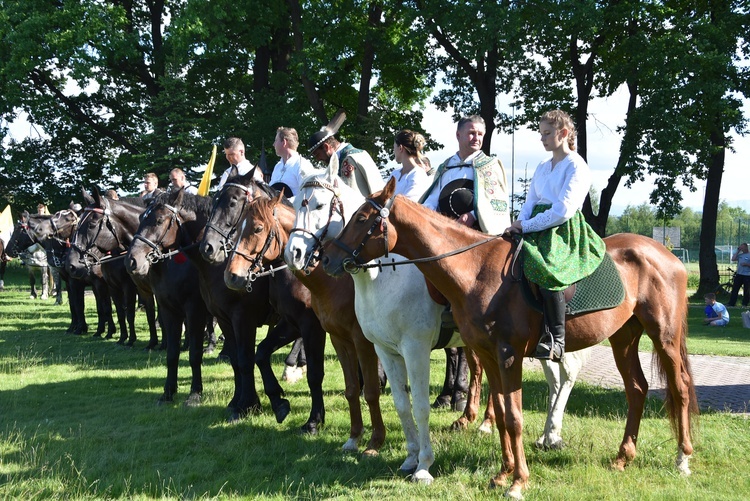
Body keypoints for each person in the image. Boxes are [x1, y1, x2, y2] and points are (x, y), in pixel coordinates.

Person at [505, 109, 607, 362]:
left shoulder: (576, 166)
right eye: (541, 134)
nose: (543, 139)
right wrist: (519, 222)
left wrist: (528, 227)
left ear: (563, 133)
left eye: (547, 134)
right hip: (535, 224)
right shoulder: (542, 166)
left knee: (547, 267)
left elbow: (563, 211)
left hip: (562, 230)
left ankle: (556, 339)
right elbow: (531, 201)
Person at [420, 115, 510, 233]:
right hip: (446, 231)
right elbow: (433, 200)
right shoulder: (446, 166)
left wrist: (473, 215)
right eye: (472, 133)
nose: (476, 138)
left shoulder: (490, 165)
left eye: (480, 134)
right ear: (458, 135)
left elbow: (497, 202)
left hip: (479, 234)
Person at [307, 110, 384, 197]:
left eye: (317, 154)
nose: (318, 159)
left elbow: (379, 191)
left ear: (326, 147)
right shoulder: (335, 164)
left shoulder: (355, 156)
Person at [270, 127, 316, 199]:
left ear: (284, 142)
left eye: (276, 140)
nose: (273, 144)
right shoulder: (277, 167)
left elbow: (308, 194)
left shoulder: (302, 165)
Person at [390, 129, 432, 201]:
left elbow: (408, 205)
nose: (394, 151)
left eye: (394, 148)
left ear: (400, 148)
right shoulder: (395, 173)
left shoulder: (418, 175)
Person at [728, 242, 750, 307]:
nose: (741, 249)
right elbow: (733, 259)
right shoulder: (740, 255)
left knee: (746, 290)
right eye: (740, 247)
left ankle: (744, 303)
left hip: (747, 275)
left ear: (746, 247)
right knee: (735, 289)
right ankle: (732, 303)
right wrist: (738, 251)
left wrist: (746, 264)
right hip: (739, 274)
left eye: (742, 247)